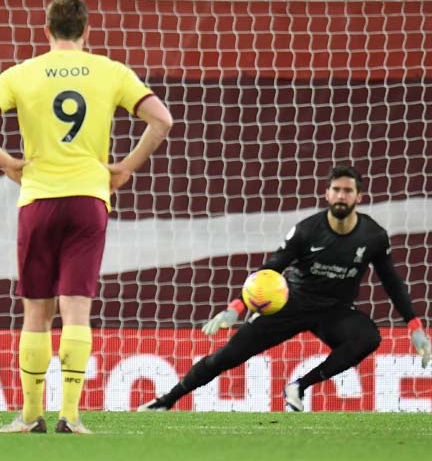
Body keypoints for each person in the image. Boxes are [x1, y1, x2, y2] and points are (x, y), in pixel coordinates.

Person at [0, 0, 173, 433]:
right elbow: (162, 120)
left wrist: (6, 161)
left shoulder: (23, 73)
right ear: (86, 31)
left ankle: (30, 415)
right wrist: (126, 167)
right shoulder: (110, 71)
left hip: (38, 200)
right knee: (77, 310)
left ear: (47, 31)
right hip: (89, 201)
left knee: (37, 312)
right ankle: (71, 416)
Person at [139, 165, 431, 413]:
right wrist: (236, 308)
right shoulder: (307, 230)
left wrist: (414, 326)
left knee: (368, 338)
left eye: (348, 191)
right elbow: (271, 268)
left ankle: (299, 387)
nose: (342, 196)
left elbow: (392, 281)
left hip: (334, 311)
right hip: (291, 303)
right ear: (327, 194)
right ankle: (167, 401)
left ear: (359, 196)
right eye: (337, 190)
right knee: (227, 356)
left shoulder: (374, 236)